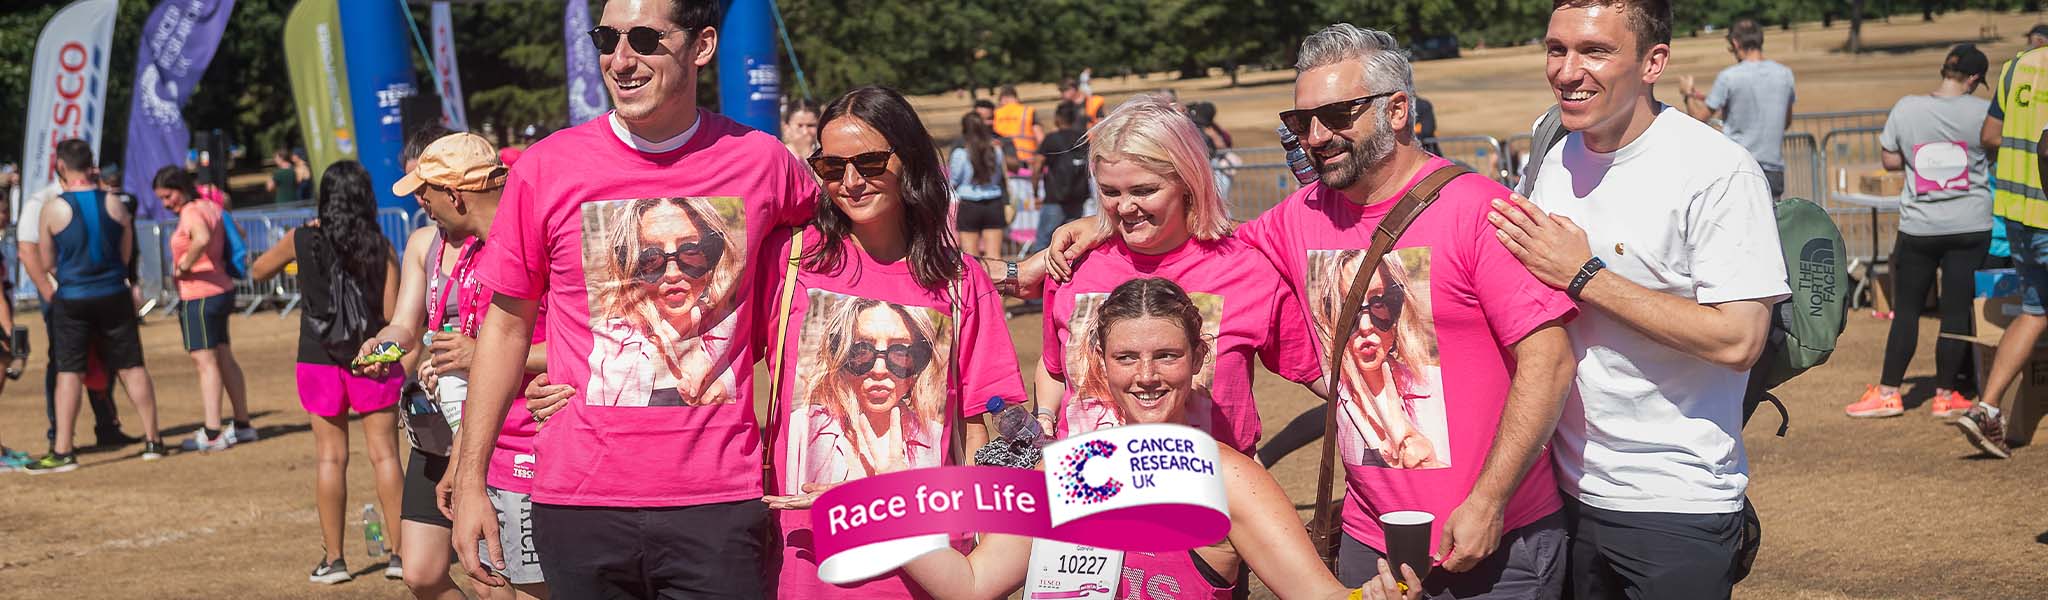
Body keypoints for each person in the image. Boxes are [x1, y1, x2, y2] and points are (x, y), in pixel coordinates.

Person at [1047, 24, 1579, 597]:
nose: (1317, 136)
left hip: (1489, 539)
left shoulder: (1477, 209)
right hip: (1364, 540)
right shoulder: (1295, 219)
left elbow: (1548, 363)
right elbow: (1191, 248)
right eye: (1302, 122)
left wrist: (1488, 501)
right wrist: (1098, 232)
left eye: (1340, 115)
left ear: (1398, 109)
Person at [449, 0, 822, 596]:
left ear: (701, 47)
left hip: (720, 500)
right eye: (607, 38)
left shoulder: (763, 163)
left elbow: (847, 260)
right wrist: (471, 480)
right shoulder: (545, 168)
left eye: (645, 39)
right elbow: (506, 328)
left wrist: (992, 273)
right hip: (577, 502)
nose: (621, 60)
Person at [1493, 2, 1788, 597]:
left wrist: (1585, 275)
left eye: (1595, 51)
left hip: (1675, 503)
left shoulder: (1716, 170)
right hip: (1562, 492)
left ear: (1654, 62)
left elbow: (1739, 338)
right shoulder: (1552, 154)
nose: (1568, 71)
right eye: (1557, 49)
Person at [900, 277, 1421, 600]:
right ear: (1101, 363)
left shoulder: (1231, 479)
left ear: (1198, 357)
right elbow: (970, 586)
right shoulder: (1061, 472)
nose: (1146, 375)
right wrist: (875, 517)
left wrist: (1372, 597)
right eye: (1126, 358)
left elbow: (1317, 596)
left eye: (1166, 356)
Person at [747, 85, 1024, 598]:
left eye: (870, 162)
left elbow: (985, 429)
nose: (851, 182)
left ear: (910, 160)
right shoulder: (788, 264)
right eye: (831, 167)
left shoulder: (961, 283)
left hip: (926, 566)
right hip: (804, 560)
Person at [1037, 94, 1320, 460]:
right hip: (1088, 496)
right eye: (1109, 192)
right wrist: (1043, 419)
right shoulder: (1073, 262)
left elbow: (1321, 374)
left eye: (1144, 190)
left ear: (1188, 181)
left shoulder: (1247, 268)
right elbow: (1055, 369)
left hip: (1212, 496)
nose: (1124, 207)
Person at [375, 131, 553, 599]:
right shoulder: (478, 248)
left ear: (454, 194)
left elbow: (584, 347)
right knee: (488, 584)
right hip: (488, 445)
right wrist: (463, 461)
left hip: (534, 451)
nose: (421, 202)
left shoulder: (534, 241)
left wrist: (480, 355)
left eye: (426, 191)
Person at [249, 160, 406, 583]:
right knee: (386, 456)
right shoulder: (381, 244)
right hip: (371, 358)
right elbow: (392, 313)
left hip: (317, 358)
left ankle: (334, 560)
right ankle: (400, 555)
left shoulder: (303, 239)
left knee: (330, 458)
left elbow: (258, 270)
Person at [1846, 45, 1993, 420]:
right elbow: (1994, 149)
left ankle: (1890, 392)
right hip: (1971, 222)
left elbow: (1890, 159)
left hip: (1920, 226)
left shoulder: (1907, 107)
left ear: (1945, 70)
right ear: (1975, 79)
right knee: (1957, 310)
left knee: (1907, 310)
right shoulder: (1982, 112)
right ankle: (1947, 394)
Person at [24, 139, 166, 473]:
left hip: (73, 296)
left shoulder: (53, 208)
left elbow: (46, 260)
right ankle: (153, 439)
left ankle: (63, 450)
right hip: (113, 291)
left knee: (69, 371)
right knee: (132, 365)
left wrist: (68, 276)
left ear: (61, 166)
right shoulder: (116, 204)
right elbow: (127, 253)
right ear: (92, 165)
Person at [1962, 23, 2048, 460]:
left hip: (2018, 214)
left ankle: (1987, 408)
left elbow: (1990, 136)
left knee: (2035, 312)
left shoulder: (2017, 67)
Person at [16, 173, 135, 451]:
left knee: (105, 357)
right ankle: (58, 433)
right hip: (63, 296)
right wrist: (49, 292)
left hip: (97, 292)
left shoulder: (100, 198)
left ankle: (107, 425)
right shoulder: (42, 201)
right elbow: (27, 249)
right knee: (64, 363)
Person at [154, 167, 255, 451]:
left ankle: (212, 432)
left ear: (181, 188)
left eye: (168, 195)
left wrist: (184, 265)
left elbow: (200, 238)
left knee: (205, 362)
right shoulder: (211, 206)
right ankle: (243, 423)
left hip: (199, 295)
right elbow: (240, 232)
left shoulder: (190, 212)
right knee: (223, 356)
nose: (166, 203)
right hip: (220, 290)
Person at [1678, 18, 1795, 198]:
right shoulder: (1785, 75)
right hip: (1774, 171)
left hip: (1740, 170)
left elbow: (1698, 118)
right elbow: (1785, 122)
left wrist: (1687, 95)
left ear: (1735, 43)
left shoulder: (1729, 77)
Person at [1028, 101, 1091, 258]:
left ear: (1057, 118)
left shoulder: (1051, 139)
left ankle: (1039, 279)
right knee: (1073, 242)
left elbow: (1037, 167)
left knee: (1044, 242)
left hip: (1054, 198)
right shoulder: (1083, 138)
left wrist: (1035, 192)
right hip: (1078, 197)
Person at [953, 112, 1009, 259]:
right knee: (995, 256)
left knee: (971, 257)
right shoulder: (996, 151)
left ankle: (976, 283)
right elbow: (998, 177)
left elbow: (954, 180)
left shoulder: (960, 154)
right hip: (994, 202)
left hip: (969, 204)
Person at [991, 85, 1042, 170]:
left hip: (1005, 162)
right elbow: (1040, 139)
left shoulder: (995, 114)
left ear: (1003, 98)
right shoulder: (1028, 111)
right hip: (1028, 161)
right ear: (1015, 97)